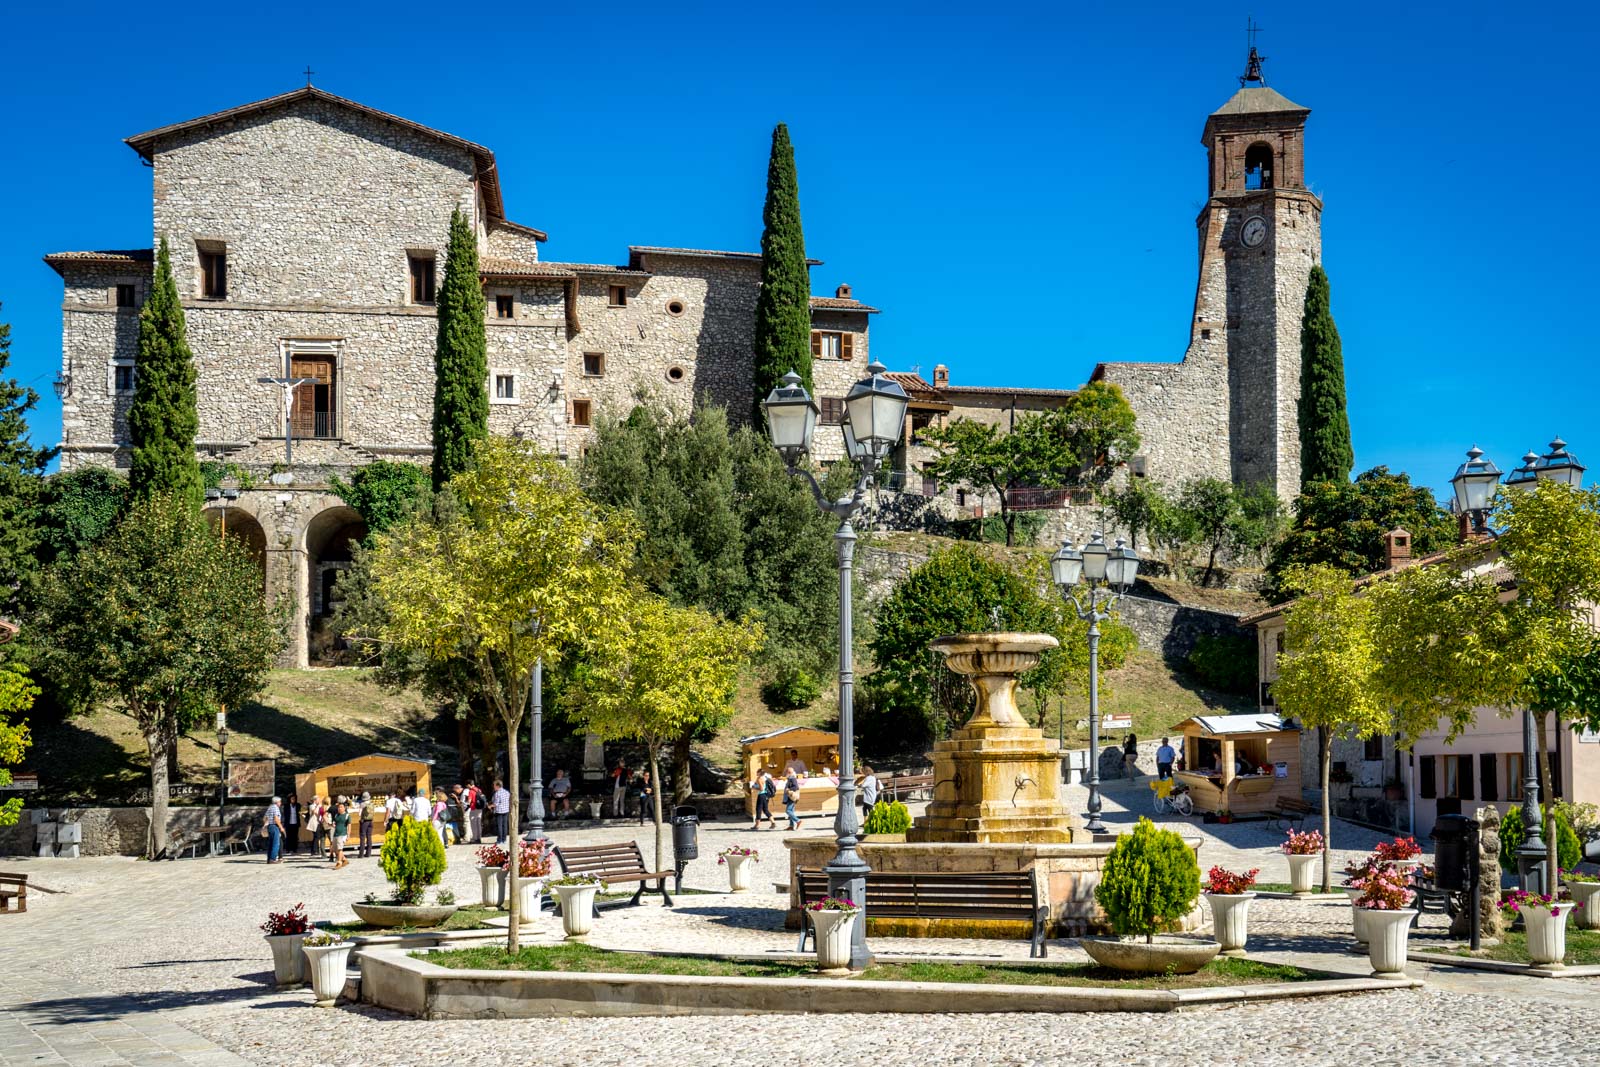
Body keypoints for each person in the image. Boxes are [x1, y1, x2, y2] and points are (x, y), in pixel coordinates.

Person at [263, 796, 284, 863]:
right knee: (276, 843)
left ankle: (269, 858)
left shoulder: (270, 807)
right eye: (280, 801)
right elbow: (276, 818)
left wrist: (266, 823)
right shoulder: (275, 808)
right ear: (277, 802)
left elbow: (264, 818)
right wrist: (281, 827)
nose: (280, 803)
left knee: (271, 843)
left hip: (270, 826)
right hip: (274, 826)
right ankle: (273, 859)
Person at [307, 795, 328, 859]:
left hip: (319, 823)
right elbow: (315, 812)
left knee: (316, 836)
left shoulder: (320, 805)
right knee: (316, 836)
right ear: (314, 800)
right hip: (314, 823)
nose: (319, 800)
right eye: (318, 799)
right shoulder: (311, 806)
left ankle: (314, 850)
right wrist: (317, 806)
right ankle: (314, 850)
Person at [330, 801, 350, 869]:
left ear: (344, 808)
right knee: (335, 849)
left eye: (341, 807)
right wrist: (333, 824)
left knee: (340, 848)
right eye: (338, 807)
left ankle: (339, 862)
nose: (339, 808)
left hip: (342, 834)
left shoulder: (347, 815)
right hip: (336, 833)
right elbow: (335, 823)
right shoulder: (336, 815)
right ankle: (344, 859)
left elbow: (349, 825)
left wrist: (348, 835)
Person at [491, 779, 511, 844]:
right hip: (506, 810)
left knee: (499, 826)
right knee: (505, 825)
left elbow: (495, 804)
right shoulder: (507, 792)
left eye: (494, 785)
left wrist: (490, 806)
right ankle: (504, 839)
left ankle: (500, 840)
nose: (493, 787)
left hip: (499, 811)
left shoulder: (497, 793)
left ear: (497, 786)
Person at [357, 792, 376, 859]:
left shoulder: (362, 804)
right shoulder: (372, 803)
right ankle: (368, 853)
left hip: (364, 821)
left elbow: (359, 814)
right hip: (371, 821)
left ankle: (361, 854)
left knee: (362, 837)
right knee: (369, 836)